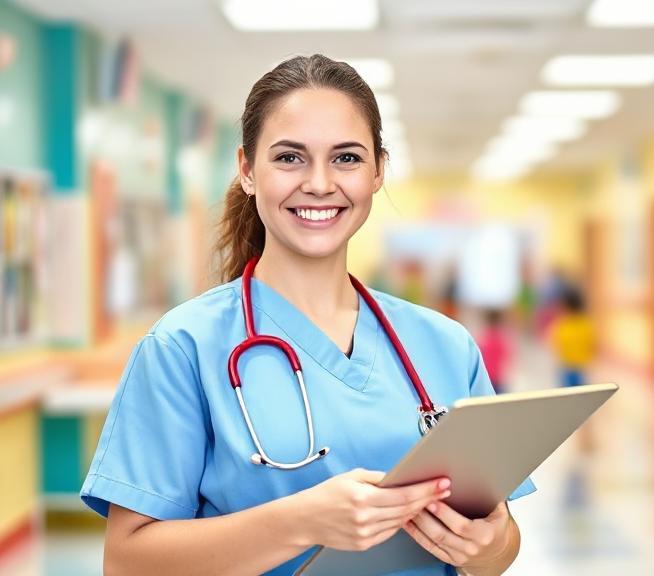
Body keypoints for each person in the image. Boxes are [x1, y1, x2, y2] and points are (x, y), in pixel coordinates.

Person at [80, 55, 534, 576]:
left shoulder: (445, 345)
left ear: (378, 171)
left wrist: (490, 546)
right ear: (248, 171)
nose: (319, 183)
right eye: (290, 158)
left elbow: (499, 548)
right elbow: (127, 563)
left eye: (346, 158)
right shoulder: (182, 348)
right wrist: (302, 522)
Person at [550, 286, 596, 389]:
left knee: (567, 393)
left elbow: (557, 342)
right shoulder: (585, 323)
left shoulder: (563, 323)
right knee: (579, 392)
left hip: (570, 365)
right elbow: (591, 344)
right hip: (578, 365)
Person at [476, 308, 514, 394]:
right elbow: (507, 355)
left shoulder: (484, 337)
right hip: (497, 377)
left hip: (486, 376)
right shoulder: (502, 338)